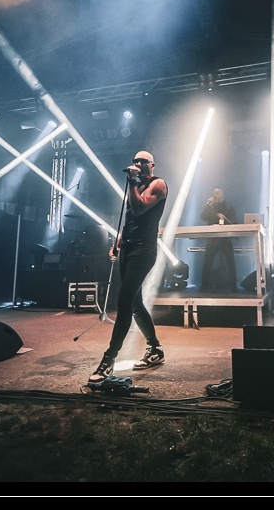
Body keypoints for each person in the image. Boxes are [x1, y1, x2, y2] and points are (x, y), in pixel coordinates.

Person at [89, 150, 168, 384]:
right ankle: (155, 349)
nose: (138, 164)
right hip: (128, 249)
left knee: (124, 301)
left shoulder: (158, 184)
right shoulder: (135, 187)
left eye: (143, 161)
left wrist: (133, 181)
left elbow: (141, 208)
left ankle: (108, 359)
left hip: (144, 251)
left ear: (152, 165)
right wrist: (117, 245)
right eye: (136, 161)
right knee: (134, 302)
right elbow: (131, 220)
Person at [199, 188, 238, 291]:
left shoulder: (228, 207)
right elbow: (203, 217)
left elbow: (234, 222)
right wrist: (208, 206)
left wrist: (225, 221)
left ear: (222, 194)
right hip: (213, 238)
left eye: (217, 193)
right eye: (214, 193)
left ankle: (233, 286)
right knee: (207, 262)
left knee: (230, 262)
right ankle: (204, 286)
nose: (215, 195)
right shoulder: (210, 206)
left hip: (225, 238)